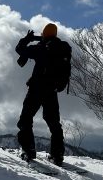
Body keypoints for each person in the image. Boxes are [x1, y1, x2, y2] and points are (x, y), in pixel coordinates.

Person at [15, 22, 69, 165]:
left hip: (36, 89)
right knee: (54, 123)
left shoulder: (40, 48)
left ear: (44, 34)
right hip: (52, 90)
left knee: (25, 119)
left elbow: (19, 49)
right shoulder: (62, 48)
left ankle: (29, 150)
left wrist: (28, 39)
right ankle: (57, 155)